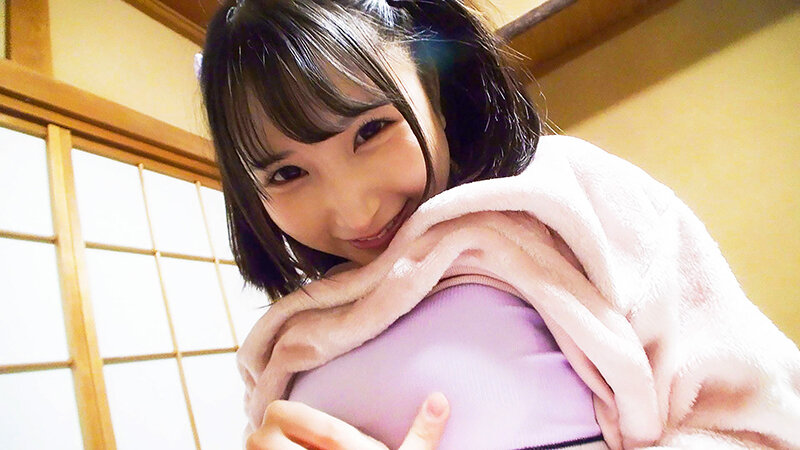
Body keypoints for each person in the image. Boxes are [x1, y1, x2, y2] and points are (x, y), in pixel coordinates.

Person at [198, 0, 800, 449]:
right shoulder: (287, 338)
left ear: (430, 88)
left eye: (371, 130)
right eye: (286, 174)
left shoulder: (567, 198)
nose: (356, 212)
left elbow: (762, 419)